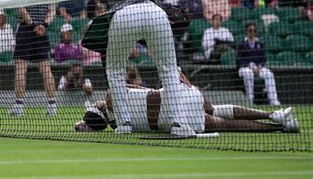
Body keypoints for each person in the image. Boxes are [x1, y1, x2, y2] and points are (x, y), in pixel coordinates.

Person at [81, 0, 195, 135]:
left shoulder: (119, 7)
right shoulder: (160, 7)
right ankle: (178, 123)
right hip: (156, 16)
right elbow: (180, 18)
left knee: (115, 72)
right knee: (169, 71)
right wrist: (175, 69)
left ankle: (124, 125)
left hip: (123, 18)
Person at [75, 73, 299, 133]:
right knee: (215, 108)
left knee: (224, 123)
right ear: (99, 107)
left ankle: (278, 126)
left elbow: (93, 121)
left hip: (173, 120)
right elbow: (142, 89)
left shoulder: (117, 126)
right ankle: (272, 115)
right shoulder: (111, 95)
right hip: (176, 98)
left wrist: (86, 124)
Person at [10, 0, 57, 117]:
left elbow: (20, 7)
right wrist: (43, 25)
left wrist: (32, 24)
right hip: (42, 31)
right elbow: (52, 10)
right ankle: (52, 107)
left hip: (26, 30)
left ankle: (19, 107)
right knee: (46, 70)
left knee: (21, 69)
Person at [237, 22, 281, 106]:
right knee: (248, 73)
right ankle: (250, 100)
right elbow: (239, 60)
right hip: (245, 68)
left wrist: (259, 67)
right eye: (250, 30)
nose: (252, 32)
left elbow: (263, 58)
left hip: (258, 68)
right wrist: (250, 67)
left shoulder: (260, 44)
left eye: (254, 30)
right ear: (246, 31)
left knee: (269, 74)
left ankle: (273, 100)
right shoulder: (241, 44)